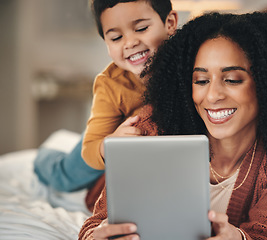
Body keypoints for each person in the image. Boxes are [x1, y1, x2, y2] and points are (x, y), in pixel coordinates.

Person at [78, 12, 267, 240]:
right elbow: (95, 222)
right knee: (66, 170)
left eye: (232, 79)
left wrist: (239, 238)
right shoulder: (152, 126)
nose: (212, 96)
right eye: (200, 80)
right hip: (97, 182)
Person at [33, 0, 178, 208]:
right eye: (116, 38)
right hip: (106, 137)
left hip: (132, 152)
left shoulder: (190, 62)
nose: (129, 43)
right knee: (64, 177)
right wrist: (110, 144)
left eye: (141, 28)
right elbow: (91, 148)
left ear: (170, 22)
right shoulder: (110, 84)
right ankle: (44, 158)